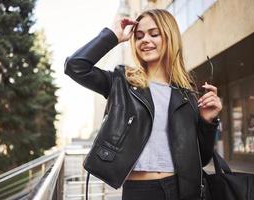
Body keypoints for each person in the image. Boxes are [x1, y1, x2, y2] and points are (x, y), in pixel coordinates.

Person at [64, 9, 222, 200]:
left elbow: (202, 158)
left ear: (169, 37)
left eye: (154, 34)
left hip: (181, 190)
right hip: (139, 191)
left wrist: (208, 120)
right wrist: (112, 36)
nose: (145, 40)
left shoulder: (186, 94)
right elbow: (75, 66)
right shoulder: (122, 82)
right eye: (139, 36)